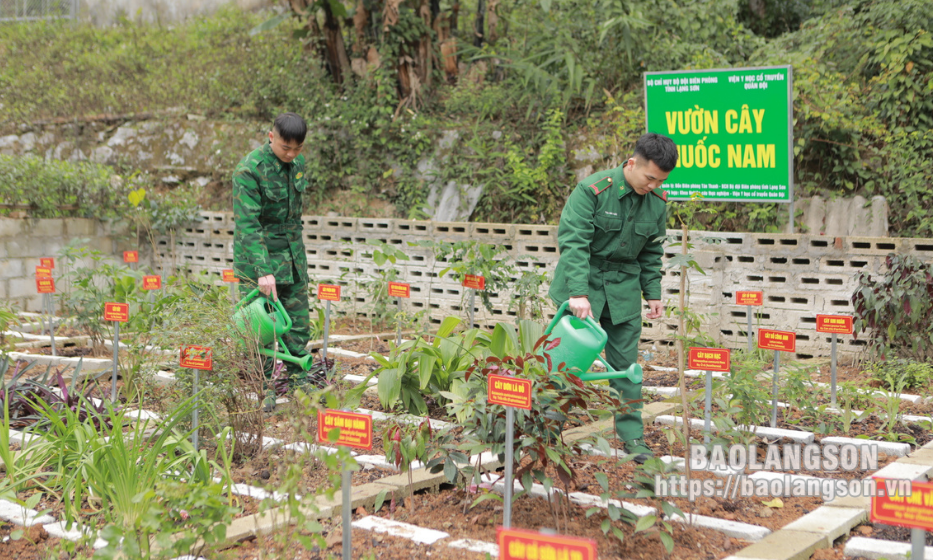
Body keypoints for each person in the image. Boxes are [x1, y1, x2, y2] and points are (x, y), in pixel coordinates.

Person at [548, 132, 678, 463]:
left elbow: (651, 250)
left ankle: (633, 437)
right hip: (584, 286)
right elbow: (573, 240)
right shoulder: (593, 190)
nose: (652, 186)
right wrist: (577, 292)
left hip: (623, 291)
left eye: (660, 181)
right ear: (631, 164)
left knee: (625, 369)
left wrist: (653, 294)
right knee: (566, 365)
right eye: (650, 178)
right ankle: (547, 431)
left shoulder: (656, 202)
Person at [233, 113, 315, 405]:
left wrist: (297, 261)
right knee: (261, 328)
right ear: (271, 137)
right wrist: (262, 271)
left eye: (297, 148)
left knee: (299, 322)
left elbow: (294, 218)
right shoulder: (249, 170)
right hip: (259, 260)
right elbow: (248, 225)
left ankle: (297, 380)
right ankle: (263, 388)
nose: (291, 154)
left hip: (292, 258)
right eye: (285, 148)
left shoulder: (298, 165)